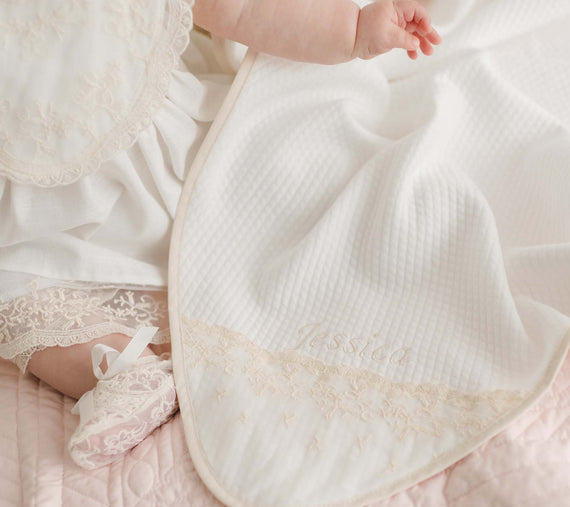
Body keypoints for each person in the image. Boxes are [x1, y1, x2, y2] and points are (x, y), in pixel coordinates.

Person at [0, 0, 441, 469]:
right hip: (29, 212)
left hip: (148, 167)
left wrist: (352, 30)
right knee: (15, 295)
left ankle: (144, 343)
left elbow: (242, 9)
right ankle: (124, 371)